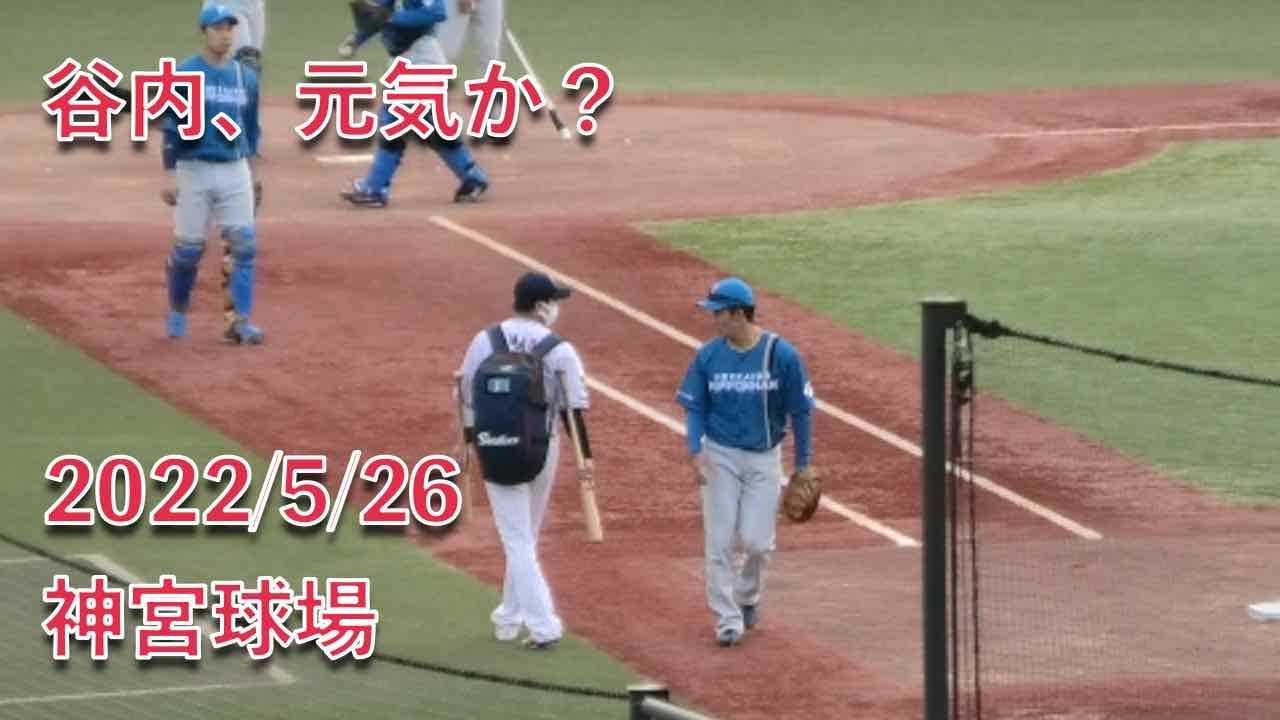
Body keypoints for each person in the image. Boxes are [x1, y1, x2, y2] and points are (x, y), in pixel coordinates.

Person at [456, 272, 594, 649]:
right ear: (540, 306)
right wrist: (586, 457)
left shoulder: (485, 340)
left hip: (495, 446)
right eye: (554, 301)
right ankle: (512, 617)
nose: (557, 308)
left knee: (518, 540)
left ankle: (538, 624)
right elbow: (572, 409)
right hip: (543, 448)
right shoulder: (559, 349)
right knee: (524, 538)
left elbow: (465, 393)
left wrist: (466, 442)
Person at [676, 277, 816, 647]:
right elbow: (695, 407)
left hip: (764, 457)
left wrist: (803, 463)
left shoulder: (781, 355)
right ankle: (727, 619)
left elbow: (801, 411)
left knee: (757, 543)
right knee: (719, 541)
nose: (713, 319)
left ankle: (748, 595)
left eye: (718, 313)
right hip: (720, 454)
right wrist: (695, 450)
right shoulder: (708, 356)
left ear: (739, 314)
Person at [162, 5, 264, 344]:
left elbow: (251, 130)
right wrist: (169, 173)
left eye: (229, 28)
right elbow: (171, 128)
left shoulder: (245, 78)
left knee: (244, 244)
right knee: (188, 251)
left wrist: (253, 173)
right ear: (203, 33)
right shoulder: (185, 74)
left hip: (234, 168)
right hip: (194, 169)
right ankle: (178, 308)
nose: (225, 35)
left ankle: (239, 323)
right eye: (218, 28)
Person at [336, 0, 490, 207]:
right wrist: (356, 39)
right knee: (431, 128)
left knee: (393, 121)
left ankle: (375, 188)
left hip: (422, 60)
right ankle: (473, 177)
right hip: (406, 60)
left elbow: (436, 13)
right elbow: (378, 16)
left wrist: (392, 18)